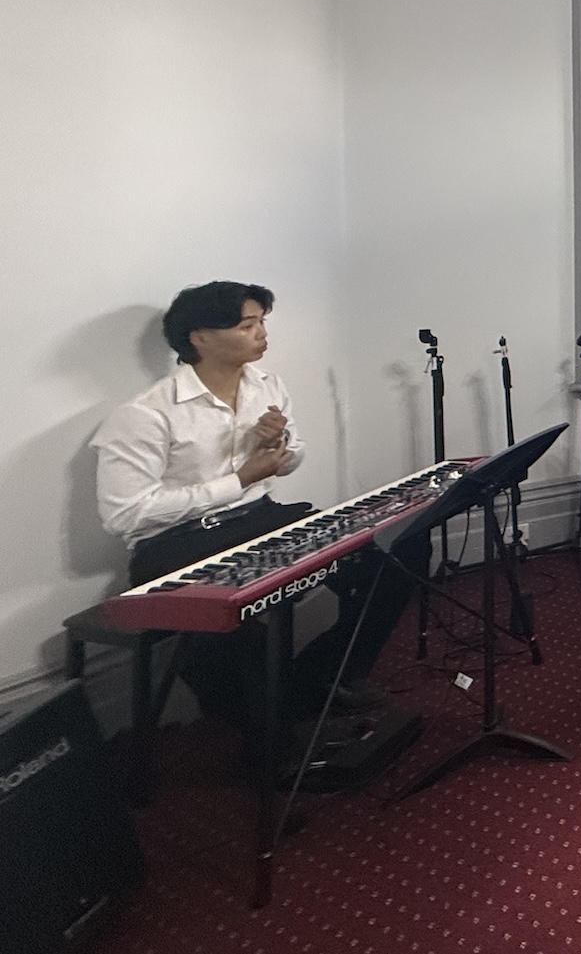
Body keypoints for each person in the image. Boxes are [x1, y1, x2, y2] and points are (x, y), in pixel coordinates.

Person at [91, 282, 420, 764]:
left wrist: (277, 445)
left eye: (262, 322)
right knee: (233, 626)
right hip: (175, 546)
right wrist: (239, 479)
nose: (262, 333)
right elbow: (125, 514)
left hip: (259, 518)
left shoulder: (265, 385)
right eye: (248, 325)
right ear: (200, 337)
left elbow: (291, 458)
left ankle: (318, 682)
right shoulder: (144, 414)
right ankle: (270, 743)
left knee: (395, 554)